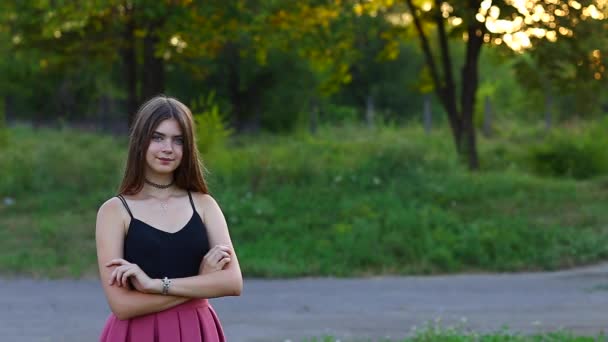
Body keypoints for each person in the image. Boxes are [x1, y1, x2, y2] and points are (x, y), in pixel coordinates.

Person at [95, 95, 242, 341]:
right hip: (136, 332)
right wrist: (202, 281)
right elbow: (121, 305)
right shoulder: (114, 211)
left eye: (178, 141)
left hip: (196, 330)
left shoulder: (205, 205)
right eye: (157, 137)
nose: (167, 149)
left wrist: (155, 285)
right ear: (141, 141)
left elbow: (232, 282)